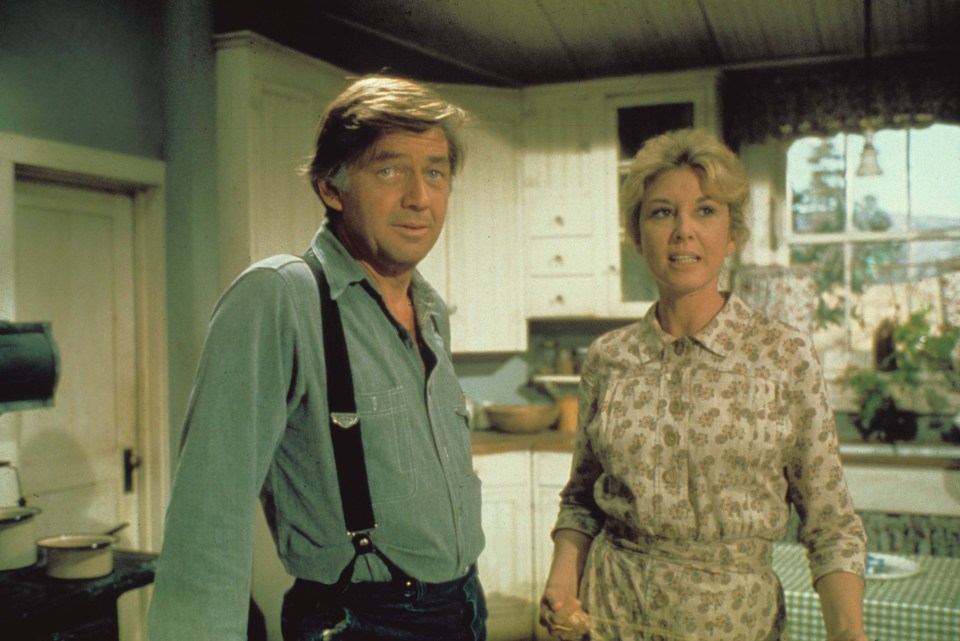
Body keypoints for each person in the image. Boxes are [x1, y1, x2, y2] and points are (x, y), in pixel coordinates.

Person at [148, 75, 487, 641]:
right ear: (332, 187)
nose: (419, 196)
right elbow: (208, 515)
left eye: (435, 172)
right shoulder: (280, 296)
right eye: (389, 170)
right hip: (360, 622)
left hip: (463, 609)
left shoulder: (431, 312)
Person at [538, 128, 868, 641]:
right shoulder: (609, 358)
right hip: (612, 616)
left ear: (732, 234)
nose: (682, 232)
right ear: (637, 232)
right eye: (662, 212)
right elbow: (581, 500)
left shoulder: (783, 355)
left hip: (735, 624)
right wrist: (563, 584)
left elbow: (831, 526)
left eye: (706, 211)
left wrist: (847, 633)